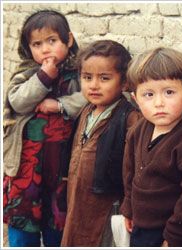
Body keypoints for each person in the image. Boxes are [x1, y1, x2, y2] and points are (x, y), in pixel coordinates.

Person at [120, 47, 182, 247]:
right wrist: (129, 209)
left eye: (169, 92)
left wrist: (174, 238)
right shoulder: (139, 130)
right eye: (148, 94)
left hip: (175, 233)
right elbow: (130, 173)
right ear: (135, 99)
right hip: (142, 226)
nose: (159, 103)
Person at [3, 10, 87, 247]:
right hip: (26, 170)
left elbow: (89, 99)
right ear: (28, 48)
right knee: (22, 225)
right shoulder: (27, 73)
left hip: (61, 169)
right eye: (37, 44)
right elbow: (18, 101)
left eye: (52, 41)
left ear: (68, 40)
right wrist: (43, 77)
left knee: (58, 227)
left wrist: (60, 105)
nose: (45, 49)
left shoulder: (80, 73)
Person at [60, 40, 141, 247]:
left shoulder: (129, 119)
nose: (94, 85)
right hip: (78, 197)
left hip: (107, 204)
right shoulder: (87, 110)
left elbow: (134, 167)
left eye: (104, 78)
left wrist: (128, 206)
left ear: (124, 82)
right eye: (87, 77)